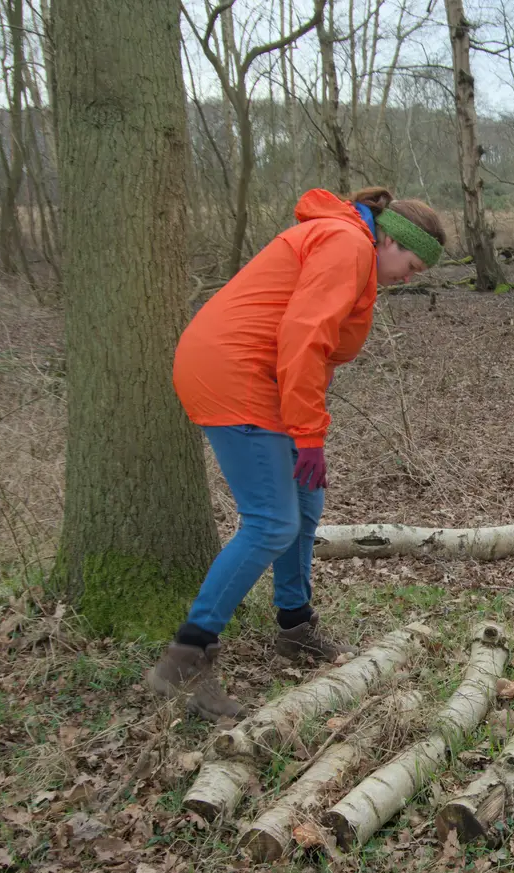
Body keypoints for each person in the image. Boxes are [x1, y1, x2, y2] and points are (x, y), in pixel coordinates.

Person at [145, 187, 446, 722]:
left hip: (268, 375)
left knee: (306, 504)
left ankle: (295, 626)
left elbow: (317, 346)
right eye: (412, 265)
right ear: (391, 239)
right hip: (234, 373)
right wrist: (307, 434)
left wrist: (310, 428)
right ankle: (186, 660)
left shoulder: (353, 247)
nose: (409, 278)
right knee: (270, 522)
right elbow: (304, 337)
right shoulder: (348, 245)